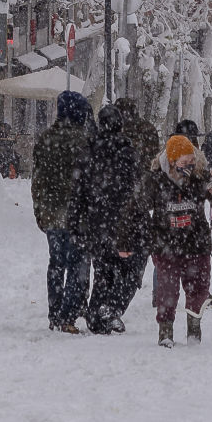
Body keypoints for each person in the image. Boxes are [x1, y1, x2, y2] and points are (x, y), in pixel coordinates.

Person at [136, 133, 212, 345]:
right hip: (166, 245)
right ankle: (165, 332)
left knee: (198, 290)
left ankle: (194, 328)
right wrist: (127, 240)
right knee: (167, 292)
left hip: (197, 243)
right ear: (172, 161)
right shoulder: (155, 180)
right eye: (184, 162)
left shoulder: (201, 176)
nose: (190, 165)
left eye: (192, 160)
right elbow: (135, 209)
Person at [70, 101, 144, 334]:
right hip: (124, 222)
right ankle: (112, 307)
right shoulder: (129, 152)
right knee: (131, 271)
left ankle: (97, 316)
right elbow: (138, 189)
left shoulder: (89, 151)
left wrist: (75, 222)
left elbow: (78, 190)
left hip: (96, 221)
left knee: (103, 270)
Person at [32, 88, 93, 332]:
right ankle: (68, 314)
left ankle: (54, 313)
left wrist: (39, 210)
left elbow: (37, 181)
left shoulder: (45, 139)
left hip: (51, 212)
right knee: (78, 263)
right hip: (78, 214)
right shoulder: (84, 141)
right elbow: (89, 182)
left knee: (56, 263)